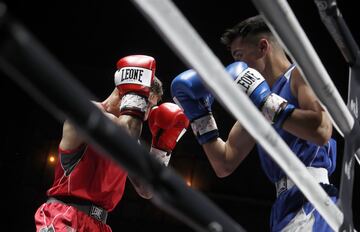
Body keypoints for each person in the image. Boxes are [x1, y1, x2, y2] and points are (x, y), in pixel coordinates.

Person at [171, 15, 338, 232]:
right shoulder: (256, 105)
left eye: (239, 56)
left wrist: (266, 103)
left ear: (262, 47)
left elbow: (321, 130)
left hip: (312, 198)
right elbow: (224, 163)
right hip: (283, 205)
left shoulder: (298, 75)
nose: (236, 66)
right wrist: (201, 116)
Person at [35, 54, 189, 232]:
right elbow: (124, 134)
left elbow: (147, 190)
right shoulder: (87, 113)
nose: (146, 115)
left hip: (98, 224)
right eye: (145, 103)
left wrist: (161, 148)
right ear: (127, 90)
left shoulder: (131, 140)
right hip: (65, 217)